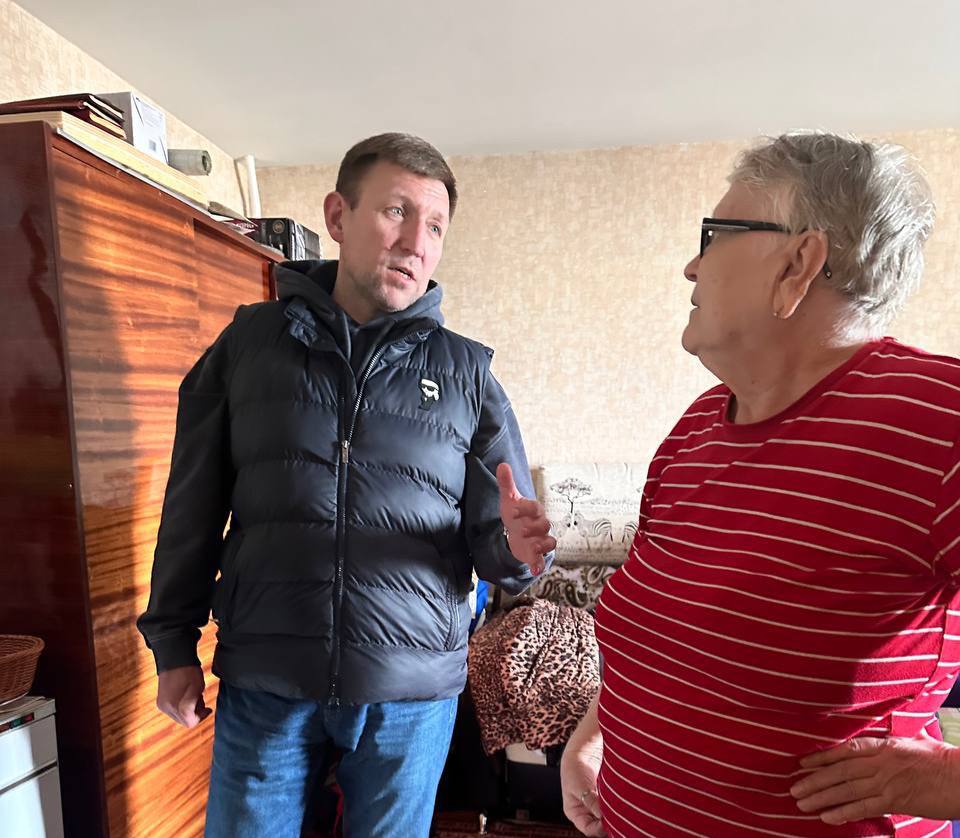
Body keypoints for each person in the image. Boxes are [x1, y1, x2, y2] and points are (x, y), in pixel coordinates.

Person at [137, 132, 555, 838]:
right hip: (268, 677)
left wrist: (515, 548)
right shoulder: (249, 346)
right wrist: (173, 646)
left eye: (436, 227)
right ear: (338, 216)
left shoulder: (468, 375)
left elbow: (499, 547)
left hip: (409, 696)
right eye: (396, 212)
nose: (416, 242)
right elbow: (191, 507)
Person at [560, 131, 960, 837]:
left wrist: (945, 779)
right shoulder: (696, 429)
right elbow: (666, 629)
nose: (691, 265)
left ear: (800, 261)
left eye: (713, 236)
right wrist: (596, 733)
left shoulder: (938, 420)